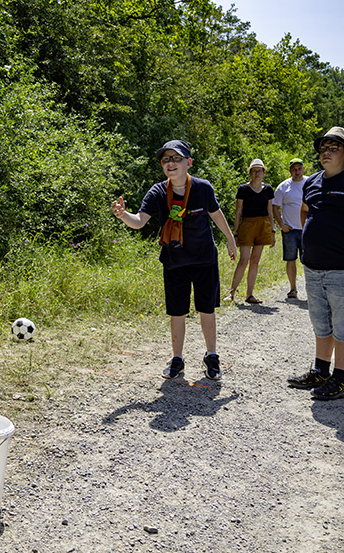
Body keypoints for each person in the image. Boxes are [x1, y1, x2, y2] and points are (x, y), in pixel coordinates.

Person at [112, 139, 236, 381]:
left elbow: (216, 214)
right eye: (166, 159)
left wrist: (230, 239)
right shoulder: (158, 192)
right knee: (177, 312)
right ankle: (177, 359)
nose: (171, 163)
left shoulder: (202, 188)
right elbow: (139, 221)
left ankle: (212, 356)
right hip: (174, 261)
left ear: (188, 163)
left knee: (206, 309)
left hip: (204, 259)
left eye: (176, 158)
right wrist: (122, 215)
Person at [288, 126, 344, 400]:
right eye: (323, 149)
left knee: (342, 326)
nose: (326, 153)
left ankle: (341, 379)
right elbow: (304, 212)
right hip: (312, 266)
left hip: (340, 268)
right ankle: (321, 371)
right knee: (321, 323)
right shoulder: (312, 182)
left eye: (333, 148)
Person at [224, 158, 275, 304]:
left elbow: (270, 211)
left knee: (255, 261)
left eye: (260, 171)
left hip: (263, 225)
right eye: (254, 171)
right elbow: (238, 212)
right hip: (246, 225)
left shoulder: (269, 189)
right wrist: (235, 233)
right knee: (244, 260)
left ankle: (249, 294)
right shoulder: (243, 189)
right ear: (250, 173)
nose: (257, 173)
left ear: (263, 172)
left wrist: (272, 231)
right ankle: (231, 293)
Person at [272, 158, 307, 299]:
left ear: (303, 168)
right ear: (290, 170)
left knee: (310, 260)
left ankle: (312, 289)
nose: (297, 171)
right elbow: (275, 207)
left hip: (307, 229)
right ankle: (293, 289)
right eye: (294, 169)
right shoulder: (283, 186)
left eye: (299, 168)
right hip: (290, 230)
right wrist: (281, 225)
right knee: (290, 259)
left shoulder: (310, 183)